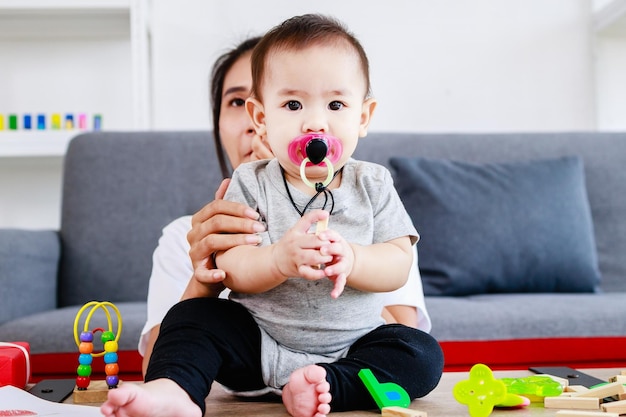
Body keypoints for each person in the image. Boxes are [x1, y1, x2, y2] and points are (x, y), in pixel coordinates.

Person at [102, 14, 443, 417]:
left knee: (420, 353)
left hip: (351, 347)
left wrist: (354, 257)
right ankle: (176, 391)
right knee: (194, 314)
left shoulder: (374, 184)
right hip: (258, 345)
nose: (315, 121)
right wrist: (278, 260)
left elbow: (398, 262)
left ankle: (331, 386)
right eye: (293, 104)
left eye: (336, 104)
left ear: (363, 117)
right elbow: (232, 265)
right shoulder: (249, 182)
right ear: (261, 119)